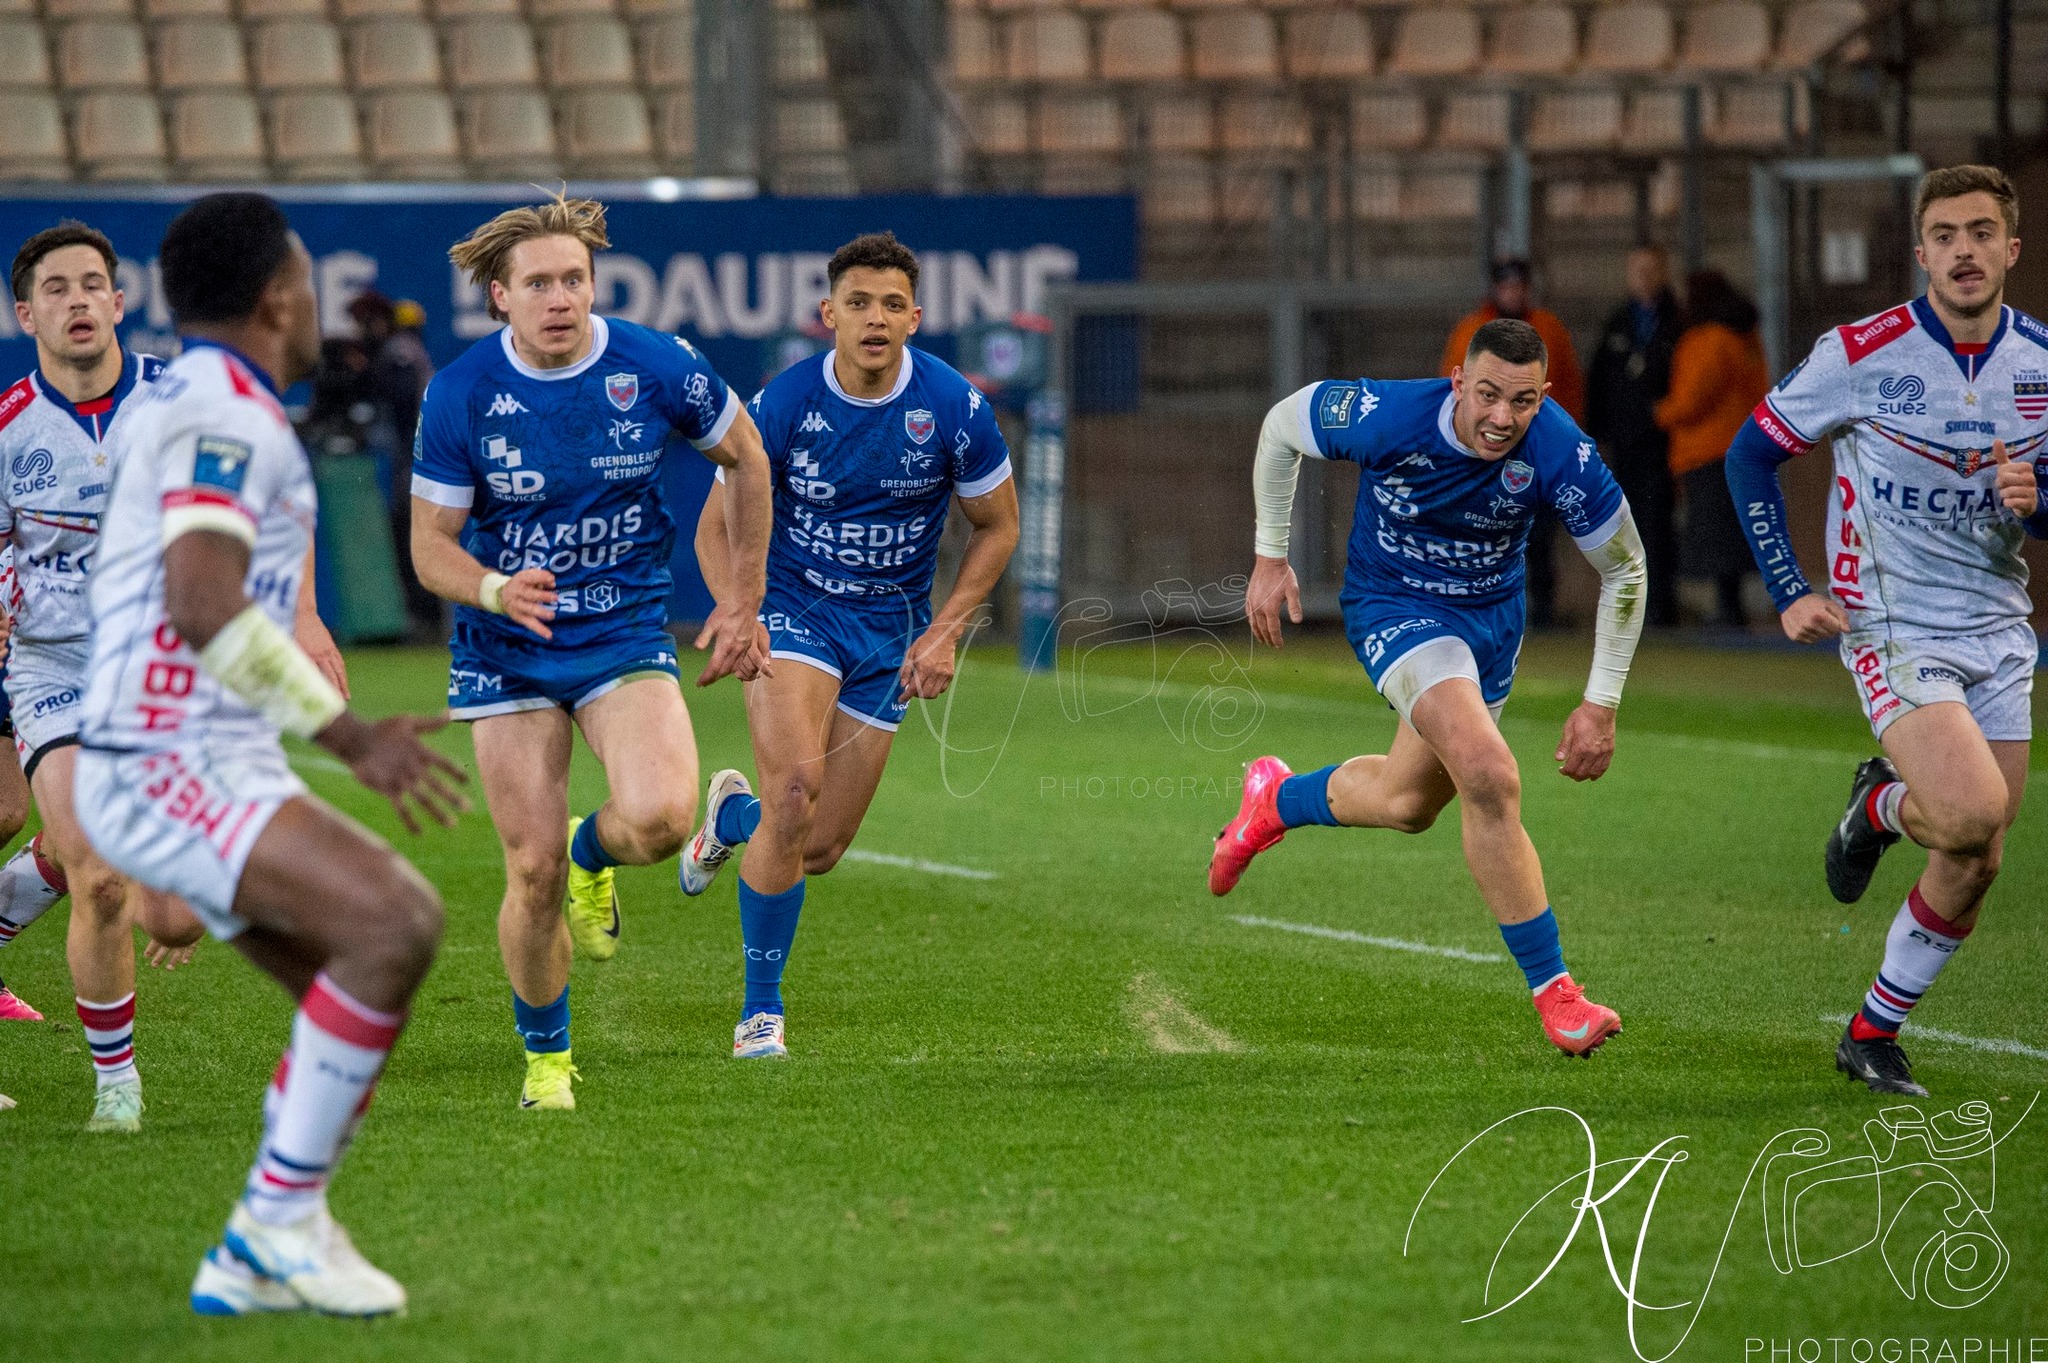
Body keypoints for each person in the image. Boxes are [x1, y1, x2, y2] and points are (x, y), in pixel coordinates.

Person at [75, 191, 467, 1314]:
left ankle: (274, 1227)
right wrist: (348, 734)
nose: (311, 300)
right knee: (395, 924)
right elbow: (202, 603)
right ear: (278, 294)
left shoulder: (216, 398)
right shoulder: (226, 415)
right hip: (164, 757)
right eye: (301, 277)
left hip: (198, 754)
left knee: (351, 1004)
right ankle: (273, 1225)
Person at [411, 194, 773, 1110]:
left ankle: (592, 852)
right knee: (524, 871)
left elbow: (748, 458)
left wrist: (743, 599)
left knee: (658, 817)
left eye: (574, 278)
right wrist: (493, 588)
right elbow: (430, 547)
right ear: (500, 296)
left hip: (621, 632)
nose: (561, 297)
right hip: (507, 649)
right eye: (539, 283)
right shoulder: (460, 393)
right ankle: (547, 1062)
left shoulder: (652, 364)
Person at [1213, 318, 1647, 1056]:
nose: (1502, 418)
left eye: (1523, 401)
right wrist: (1269, 555)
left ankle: (1275, 799)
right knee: (1488, 771)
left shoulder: (1561, 452)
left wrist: (1601, 701)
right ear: (1458, 383)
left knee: (1409, 803)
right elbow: (1281, 426)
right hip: (1397, 608)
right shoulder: (1389, 415)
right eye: (1487, 395)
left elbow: (1626, 568)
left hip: (1490, 628)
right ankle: (1558, 996)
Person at [0, 221, 347, 1132]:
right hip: (56, 669)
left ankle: (31, 878)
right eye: (57, 289)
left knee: (174, 920)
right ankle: (117, 1089)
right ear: (25, 312)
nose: (77, 301)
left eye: (92, 285)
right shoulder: (8, 430)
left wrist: (304, 617)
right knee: (104, 877)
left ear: (121, 304)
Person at [1722, 164, 2046, 1097]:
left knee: (1978, 854)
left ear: (2011, 249)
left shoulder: (2042, 366)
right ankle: (1877, 807)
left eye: (1982, 232)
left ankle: (1871, 1029)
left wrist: (2041, 495)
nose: (1964, 251)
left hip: (1998, 628)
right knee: (1971, 809)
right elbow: (1749, 455)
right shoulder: (1861, 352)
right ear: (1921, 253)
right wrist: (1788, 588)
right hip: (1893, 626)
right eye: (1945, 234)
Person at [678, 231, 1020, 1060]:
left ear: (916, 317)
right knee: (796, 791)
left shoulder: (953, 408)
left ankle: (732, 815)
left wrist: (944, 632)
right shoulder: (785, 404)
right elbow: (711, 528)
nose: (875, 318)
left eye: (892, 304)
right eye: (858, 303)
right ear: (828, 314)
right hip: (795, 612)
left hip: (890, 633)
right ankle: (761, 1012)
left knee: (819, 845)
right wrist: (738, 609)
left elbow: (999, 526)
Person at [1441, 260, 1586, 628]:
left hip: (1535, 446)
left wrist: (1567, 437)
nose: (1512, 293)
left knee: (1538, 533)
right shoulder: (1472, 330)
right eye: (1505, 286)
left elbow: (1569, 383)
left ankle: (1541, 607)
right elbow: (1451, 387)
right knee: (1482, 527)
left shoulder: (1548, 328)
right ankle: (1478, 605)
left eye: (1518, 286)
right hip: (1484, 450)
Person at [1660, 269, 1768, 629]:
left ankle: (1727, 609)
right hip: (1743, 447)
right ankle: (1731, 605)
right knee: (1733, 533)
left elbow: (1692, 399)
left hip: (1706, 449)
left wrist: (1659, 413)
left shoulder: (1708, 339)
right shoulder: (1747, 338)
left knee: (1714, 535)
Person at [1586, 244, 1682, 627]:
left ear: (1663, 272)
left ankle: (1663, 605)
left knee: (1661, 524)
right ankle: (1629, 605)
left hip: (1664, 444)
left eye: (1650, 268)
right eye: (1636, 269)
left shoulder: (1678, 322)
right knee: (1624, 527)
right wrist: (1597, 436)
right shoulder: (1617, 323)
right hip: (1624, 445)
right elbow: (1599, 382)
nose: (1643, 276)